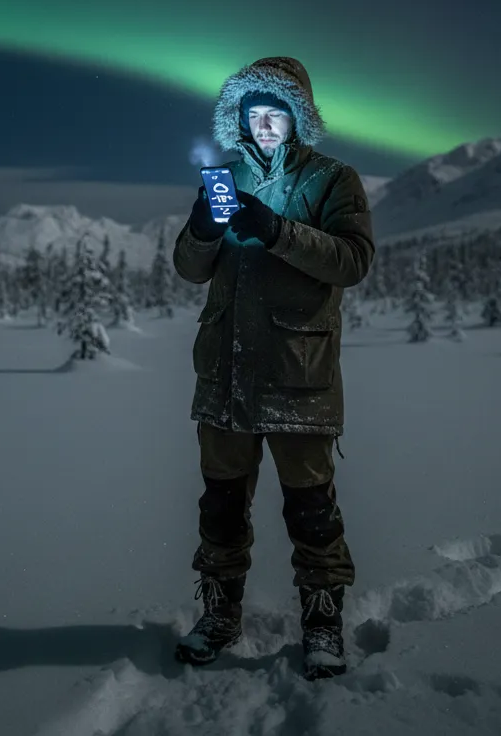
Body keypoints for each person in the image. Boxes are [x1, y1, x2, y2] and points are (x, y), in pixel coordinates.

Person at [172, 56, 375, 680]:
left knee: (310, 508)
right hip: (225, 376)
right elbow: (188, 268)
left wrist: (279, 231)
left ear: (298, 118)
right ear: (239, 120)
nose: (263, 125)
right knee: (220, 505)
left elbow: (353, 260)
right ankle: (219, 614)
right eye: (253, 114)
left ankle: (322, 621)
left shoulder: (333, 179)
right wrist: (202, 229)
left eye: (275, 113)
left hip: (297, 375)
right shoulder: (228, 177)